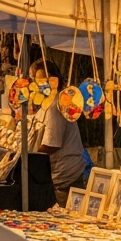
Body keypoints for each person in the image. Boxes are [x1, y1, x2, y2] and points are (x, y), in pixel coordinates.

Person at [30, 59, 87, 205]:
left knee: (65, 219)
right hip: (57, 174)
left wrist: (29, 154)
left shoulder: (55, 106)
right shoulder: (45, 103)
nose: (33, 85)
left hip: (66, 177)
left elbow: (52, 144)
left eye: (37, 81)